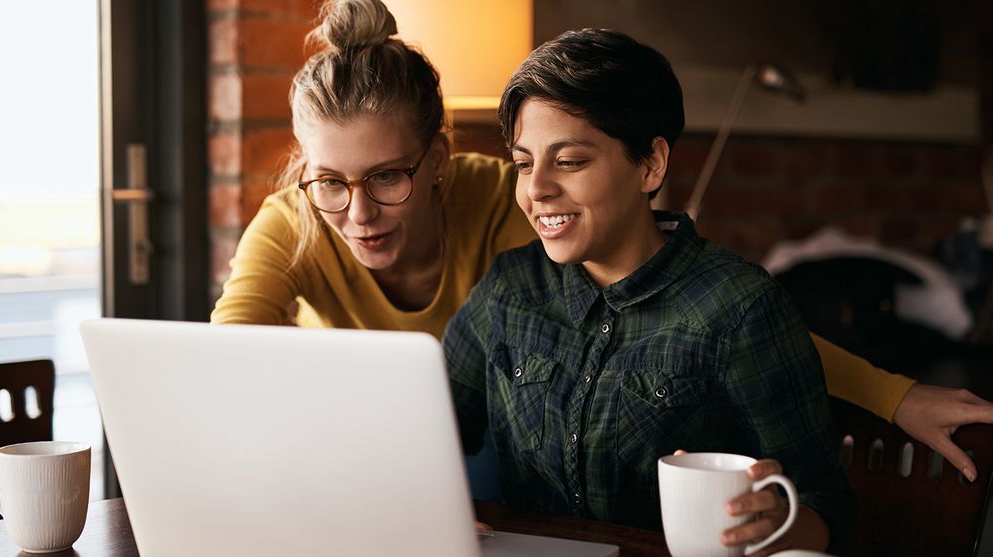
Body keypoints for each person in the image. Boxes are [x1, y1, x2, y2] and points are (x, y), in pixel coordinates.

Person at [210, 0, 993, 483]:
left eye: (387, 177)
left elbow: (714, 317)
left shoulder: (513, 198)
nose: (358, 212)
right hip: (371, 452)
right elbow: (221, 373)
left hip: (488, 450)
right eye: (330, 182)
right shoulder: (296, 220)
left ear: (438, 161)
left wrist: (892, 393)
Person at [443, 27, 853, 557]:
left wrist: (782, 522)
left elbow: (825, 499)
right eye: (523, 163)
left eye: (568, 161)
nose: (536, 187)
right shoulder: (509, 289)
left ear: (650, 165)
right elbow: (432, 432)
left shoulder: (739, 306)